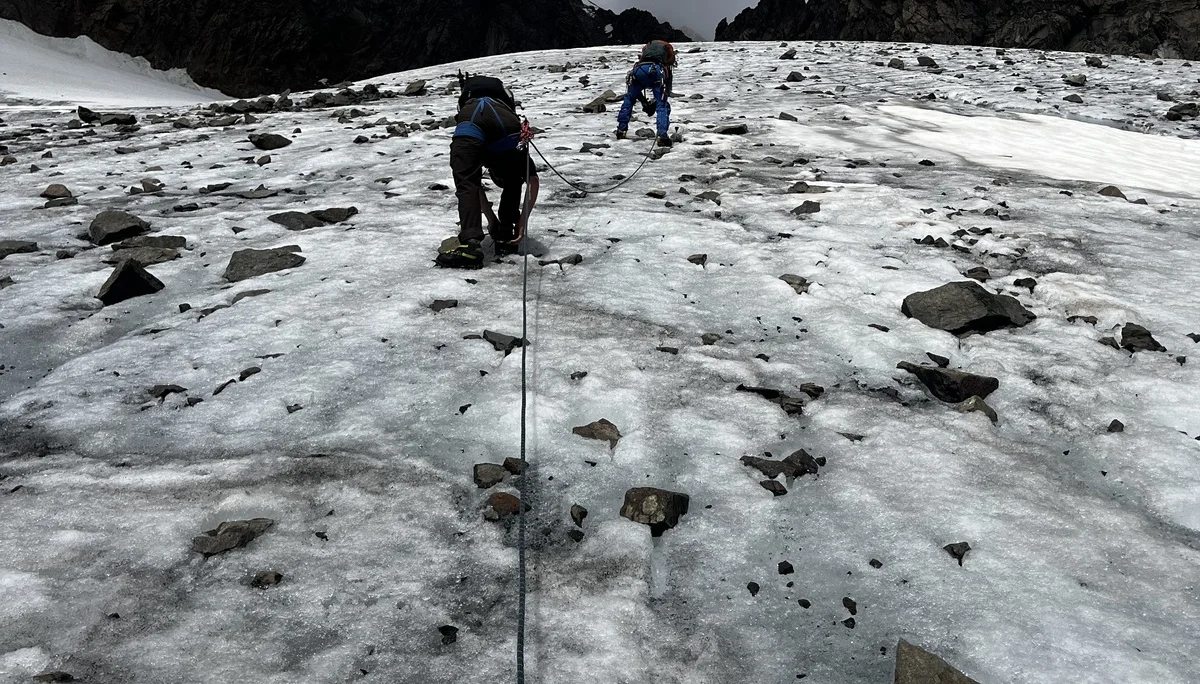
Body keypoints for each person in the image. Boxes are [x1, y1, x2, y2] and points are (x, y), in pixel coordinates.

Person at [437, 74, 541, 269]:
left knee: (466, 181)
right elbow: (532, 181)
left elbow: (472, 184)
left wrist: (490, 219)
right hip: (506, 124)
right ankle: (507, 231)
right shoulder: (506, 107)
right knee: (513, 179)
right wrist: (521, 223)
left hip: (469, 122)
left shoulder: (468, 101)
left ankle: (471, 245)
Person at [615, 40, 677, 148]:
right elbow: (670, 61)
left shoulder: (648, 46)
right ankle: (662, 136)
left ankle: (621, 130)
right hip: (656, 72)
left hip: (639, 70)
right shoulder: (667, 46)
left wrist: (643, 101)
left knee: (629, 100)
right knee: (662, 105)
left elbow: (643, 55)